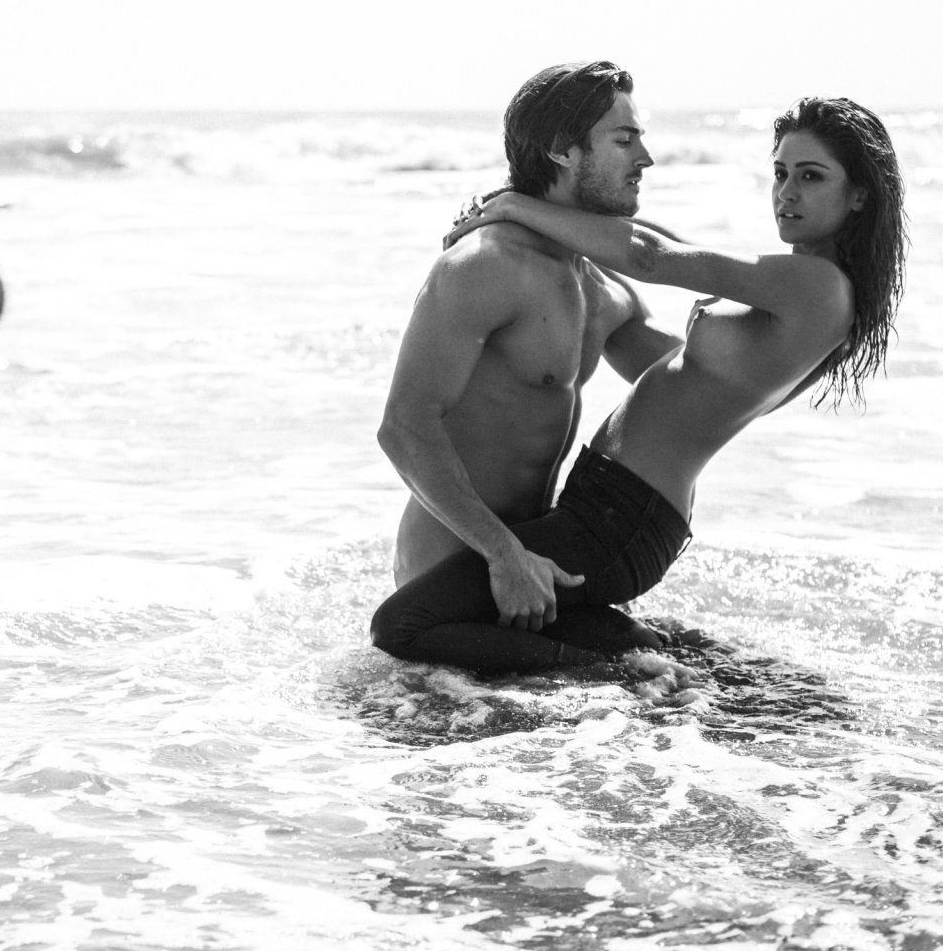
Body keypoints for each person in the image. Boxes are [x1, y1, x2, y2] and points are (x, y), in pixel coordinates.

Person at [371, 95, 907, 672]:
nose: (787, 192)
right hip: (624, 514)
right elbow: (669, 275)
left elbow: (653, 257)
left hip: (621, 516)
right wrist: (542, 222)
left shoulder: (819, 286)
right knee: (504, 613)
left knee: (402, 625)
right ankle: (633, 650)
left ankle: (612, 675)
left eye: (811, 176)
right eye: (780, 172)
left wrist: (513, 206)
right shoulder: (809, 287)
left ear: (859, 195)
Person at [377, 61, 680, 640]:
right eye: (625, 140)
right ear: (563, 150)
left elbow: (704, 376)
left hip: (535, 572)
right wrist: (504, 554)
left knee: (667, 670)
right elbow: (404, 426)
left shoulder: (603, 289)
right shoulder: (484, 266)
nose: (645, 158)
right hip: (449, 581)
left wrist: (820, 297)